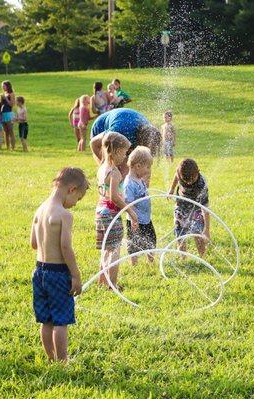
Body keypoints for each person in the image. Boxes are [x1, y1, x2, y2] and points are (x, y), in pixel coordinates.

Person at [31, 167, 89, 362]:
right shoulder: (64, 215)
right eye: (77, 199)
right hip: (57, 273)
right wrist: (76, 275)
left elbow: (33, 243)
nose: (74, 204)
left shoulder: (40, 209)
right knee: (61, 321)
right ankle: (63, 361)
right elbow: (65, 247)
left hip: (39, 271)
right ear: (71, 189)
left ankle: (50, 357)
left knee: (46, 320)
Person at [96, 132, 138, 289]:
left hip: (101, 212)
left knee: (107, 249)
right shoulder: (114, 172)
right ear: (115, 151)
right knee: (114, 250)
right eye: (124, 153)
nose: (125, 157)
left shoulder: (102, 168)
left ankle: (102, 282)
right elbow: (114, 196)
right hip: (111, 214)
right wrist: (131, 212)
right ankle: (112, 284)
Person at [90, 108, 161, 171]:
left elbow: (145, 167)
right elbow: (93, 143)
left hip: (126, 124)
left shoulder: (151, 134)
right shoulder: (119, 131)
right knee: (114, 171)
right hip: (101, 127)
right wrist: (107, 166)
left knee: (127, 169)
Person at [168, 159, 210, 257]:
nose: (189, 183)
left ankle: (202, 257)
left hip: (197, 210)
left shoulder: (201, 185)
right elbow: (176, 175)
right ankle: (183, 256)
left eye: (192, 180)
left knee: (198, 233)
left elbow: (205, 209)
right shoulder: (181, 174)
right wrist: (172, 189)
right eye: (186, 181)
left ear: (197, 172)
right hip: (181, 207)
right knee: (180, 233)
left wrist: (207, 230)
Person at [125, 146, 155, 265]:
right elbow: (128, 203)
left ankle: (151, 262)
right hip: (135, 221)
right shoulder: (129, 184)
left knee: (151, 240)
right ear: (137, 166)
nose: (148, 170)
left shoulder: (139, 179)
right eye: (147, 167)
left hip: (146, 219)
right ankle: (134, 264)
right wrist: (133, 219)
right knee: (134, 243)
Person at [0, 80, 16, 150]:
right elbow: (1, 104)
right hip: (2, 113)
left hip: (8, 113)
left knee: (10, 131)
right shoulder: (4, 93)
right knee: (5, 131)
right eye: (2, 86)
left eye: (4, 86)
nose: (3, 87)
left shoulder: (11, 94)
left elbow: (12, 104)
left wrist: (5, 98)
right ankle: (7, 147)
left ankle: (13, 147)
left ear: (8, 86)